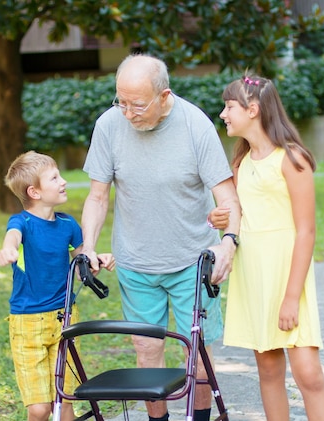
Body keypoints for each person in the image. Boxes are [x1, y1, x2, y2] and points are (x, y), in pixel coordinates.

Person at [80, 54, 241, 421]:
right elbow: (97, 195)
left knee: (196, 354)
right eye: (120, 101)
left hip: (191, 261)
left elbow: (228, 197)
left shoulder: (194, 125)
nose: (128, 112)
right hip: (137, 262)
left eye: (137, 104)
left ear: (164, 96)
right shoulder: (108, 125)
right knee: (146, 353)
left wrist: (228, 241)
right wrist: (88, 244)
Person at [208, 74, 324, 420]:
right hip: (254, 278)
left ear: (252, 110)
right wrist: (223, 220)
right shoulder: (241, 164)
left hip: (287, 277)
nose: (223, 114)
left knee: (308, 373)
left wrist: (292, 296)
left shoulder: (292, 159)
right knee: (267, 369)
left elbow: (306, 231)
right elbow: (241, 217)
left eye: (229, 106)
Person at [0, 151, 115, 421]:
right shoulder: (22, 223)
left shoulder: (67, 224)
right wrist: (7, 250)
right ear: (34, 192)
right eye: (54, 178)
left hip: (65, 319)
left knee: (65, 402)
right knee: (39, 409)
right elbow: (12, 237)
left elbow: (84, 254)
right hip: (28, 324)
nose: (64, 182)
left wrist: (99, 258)